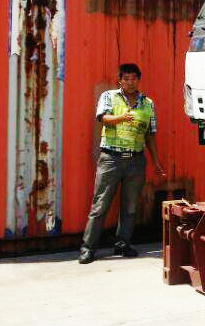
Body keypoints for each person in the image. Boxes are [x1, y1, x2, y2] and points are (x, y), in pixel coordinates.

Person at [78, 63, 165, 264]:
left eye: (134, 78)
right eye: (126, 78)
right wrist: (122, 117)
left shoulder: (148, 103)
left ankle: (122, 244)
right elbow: (103, 118)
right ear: (120, 80)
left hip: (136, 160)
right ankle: (88, 248)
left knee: (130, 207)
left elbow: (150, 134)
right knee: (100, 205)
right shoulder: (109, 96)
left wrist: (156, 161)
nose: (130, 82)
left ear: (139, 80)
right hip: (111, 159)